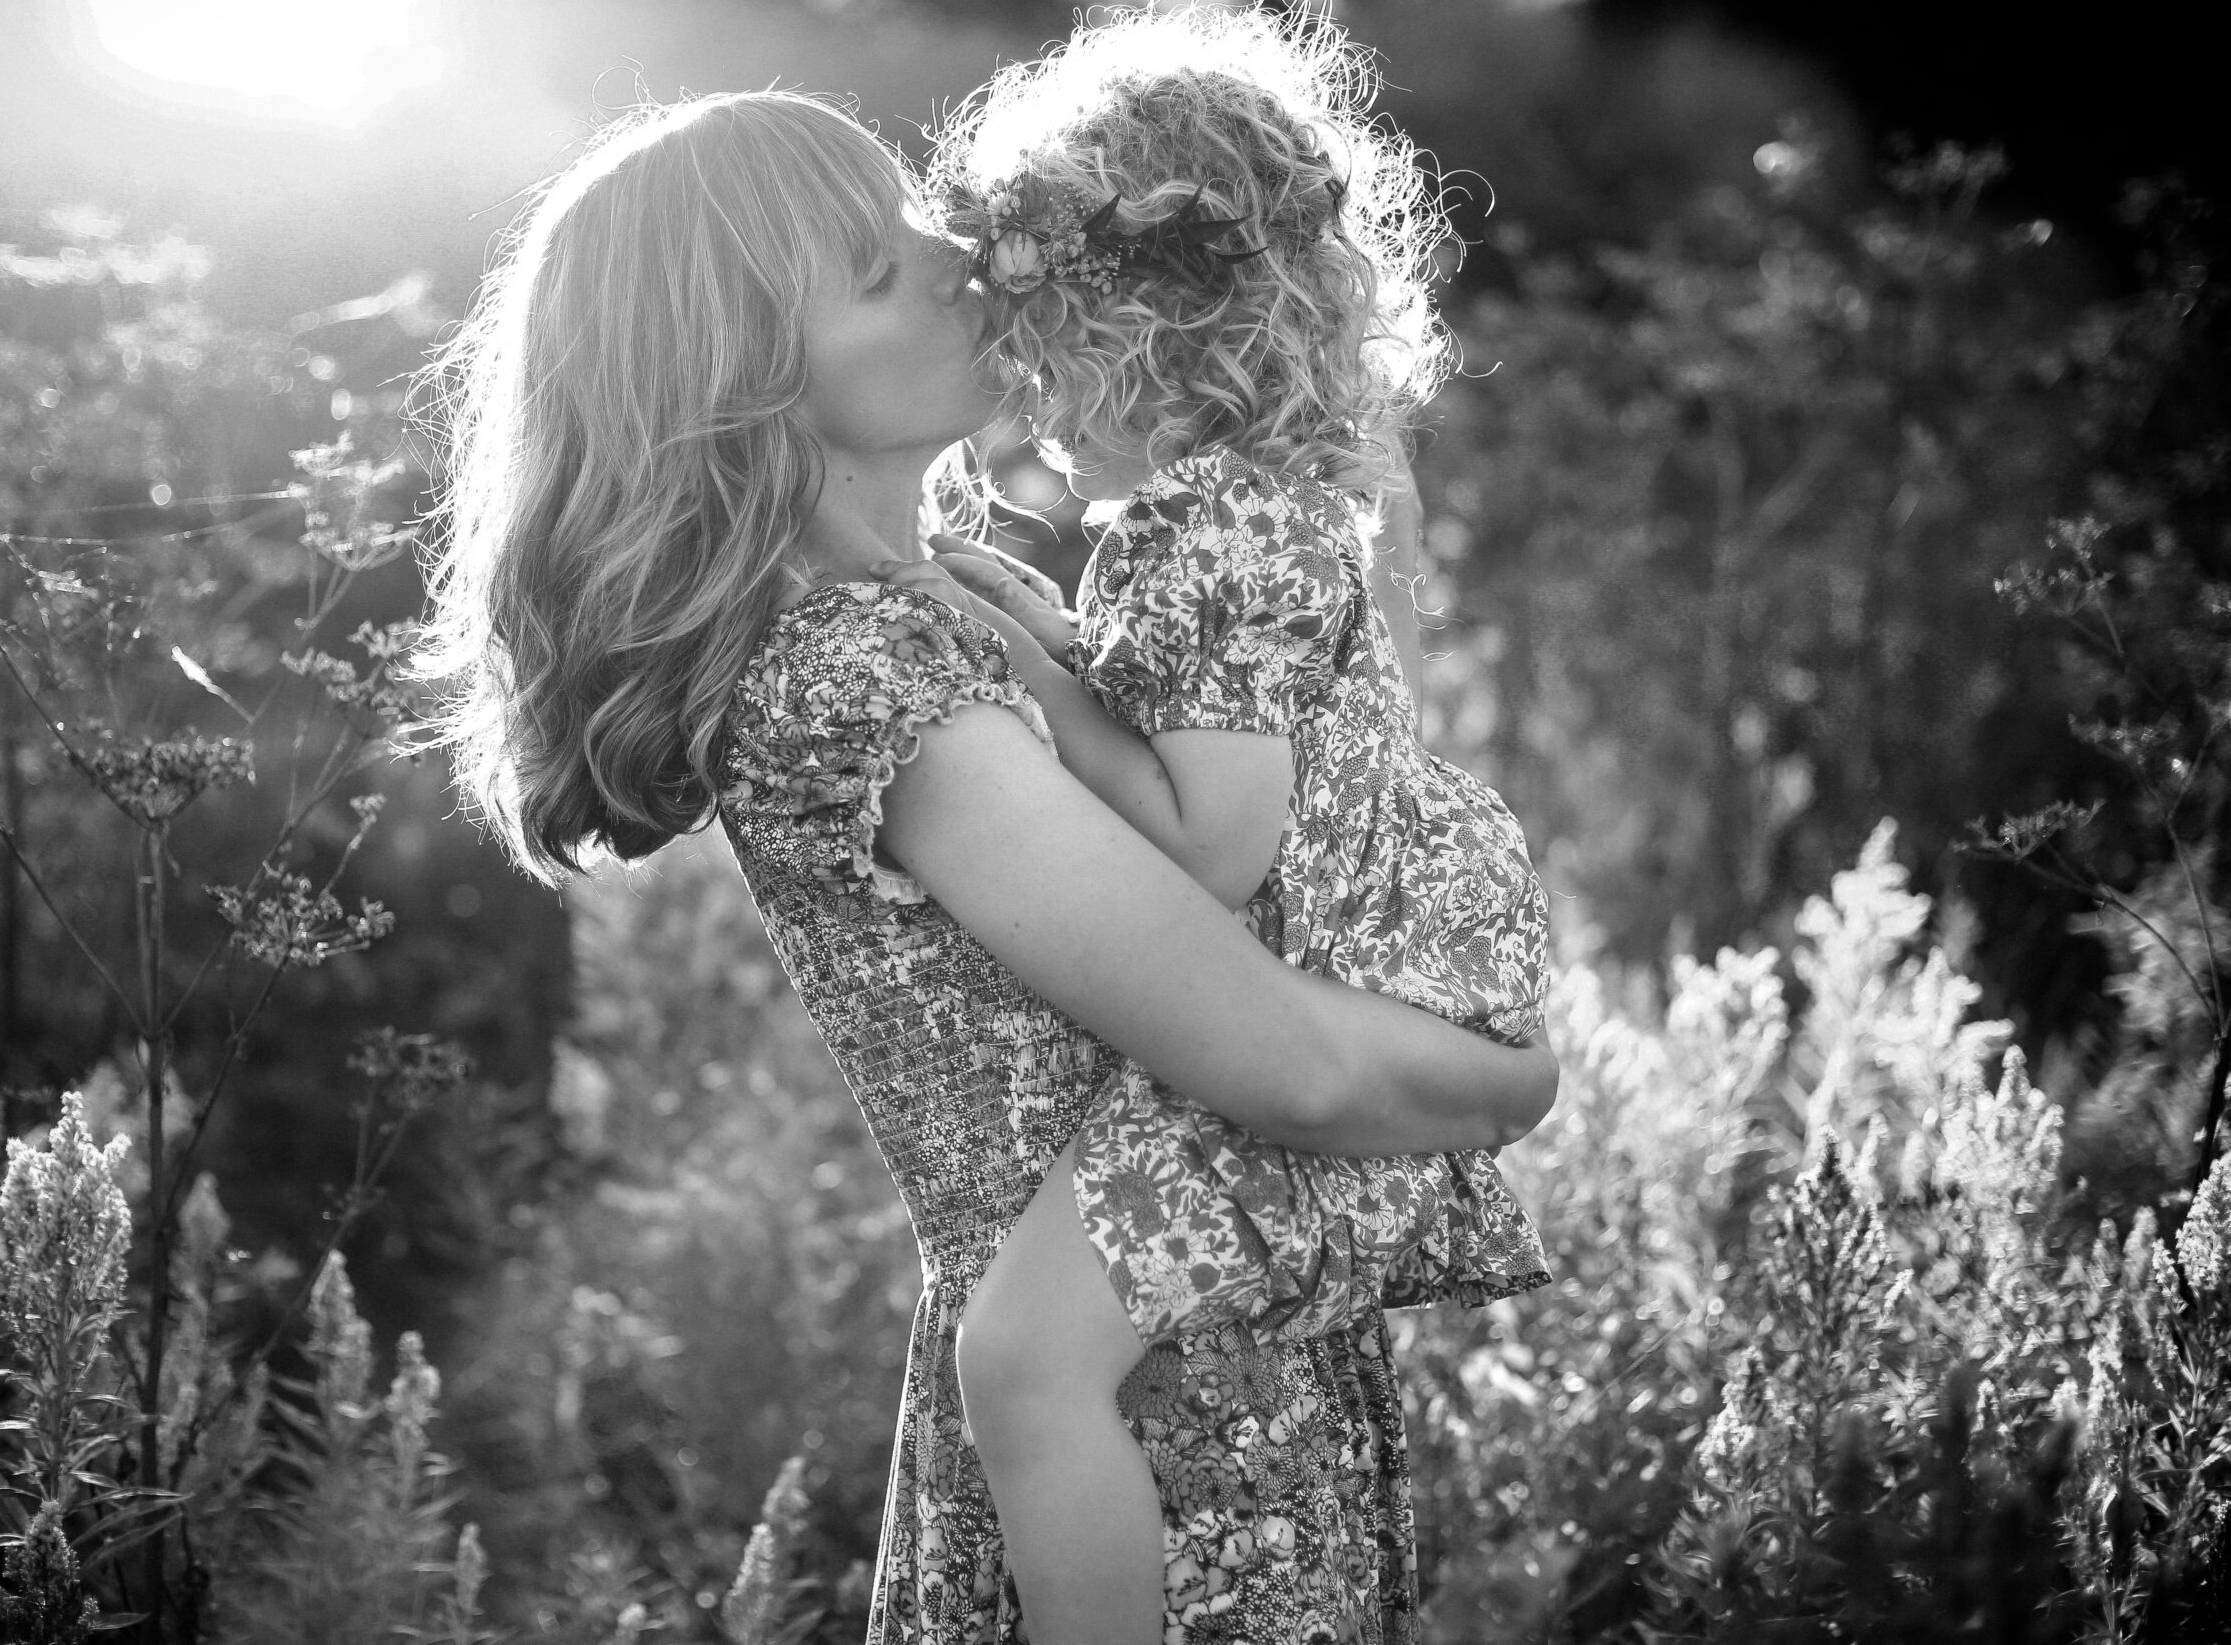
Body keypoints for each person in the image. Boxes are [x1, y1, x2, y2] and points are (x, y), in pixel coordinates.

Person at [418, 86, 1558, 1645]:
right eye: (878, 268)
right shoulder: (853, 671)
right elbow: (1285, 1067)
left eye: (916, 215)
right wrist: (1507, 1086)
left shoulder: (957, 597)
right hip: (1154, 1454)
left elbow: (1326, 800)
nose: (955, 254)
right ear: (743, 383)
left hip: (1203, 1353)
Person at [856, 5, 1555, 1645]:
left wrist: (1033, 663)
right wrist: (1069, 651)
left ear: (1144, 334)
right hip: (1383, 974)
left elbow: (1210, 848)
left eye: (1047, 362)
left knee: (1021, 1361)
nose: (1033, 418)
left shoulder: (1195, 524)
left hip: (1327, 987)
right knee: (1037, 1358)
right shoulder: (1276, 501)